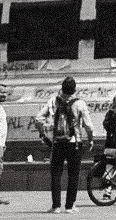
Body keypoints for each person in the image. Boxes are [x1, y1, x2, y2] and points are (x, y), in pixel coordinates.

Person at [34, 77, 93, 215]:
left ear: (62, 87)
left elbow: (38, 119)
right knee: (73, 174)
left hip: (57, 143)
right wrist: (90, 140)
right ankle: (69, 206)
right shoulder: (79, 103)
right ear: (74, 89)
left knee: (56, 174)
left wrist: (43, 134)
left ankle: (56, 206)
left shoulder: (54, 101)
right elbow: (88, 126)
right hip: (74, 143)